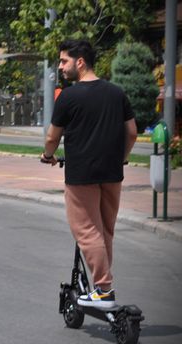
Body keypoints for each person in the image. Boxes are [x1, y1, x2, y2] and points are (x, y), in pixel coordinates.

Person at [41, 40, 137, 309]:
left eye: (63, 61)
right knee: (105, 231)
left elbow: (52, 137)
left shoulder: (69, 97)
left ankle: (104, 289)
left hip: (82, 174)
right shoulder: (116, 93)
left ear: (79, 62)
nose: (60, 67)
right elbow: (131, 132)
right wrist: (123, 158)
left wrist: (48, 156)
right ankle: (101, 286)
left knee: (86, 231)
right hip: (112, 173)